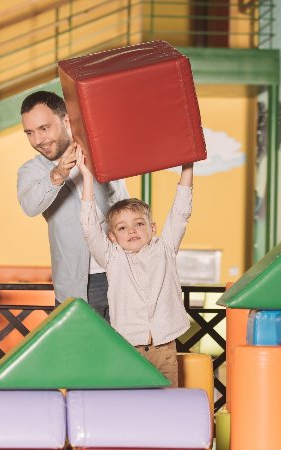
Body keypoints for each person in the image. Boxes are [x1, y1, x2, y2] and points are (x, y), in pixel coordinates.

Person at [77, 146, 193, 387]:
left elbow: (181, 212)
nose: (131, 230)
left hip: (164, 348)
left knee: (166, 405)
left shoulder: (165, 249)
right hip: (129, 349)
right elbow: (89, 228)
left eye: (139, 223)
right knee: (133, 407)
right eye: (122, 227)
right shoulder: (112, 258)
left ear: (152, 228)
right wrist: (87, 177)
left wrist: (188, 166)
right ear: (112, 237)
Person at [17, 90, 128, 320]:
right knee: (80, 354)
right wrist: (58, 173)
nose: (38, 140)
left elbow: (118, 204)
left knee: (126, 353)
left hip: (122, 274)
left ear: (66, 120)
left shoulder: (100, 153)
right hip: (76, 285)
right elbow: (29, 205)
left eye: (44, 128)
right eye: (30, 133)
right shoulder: (31, 171)